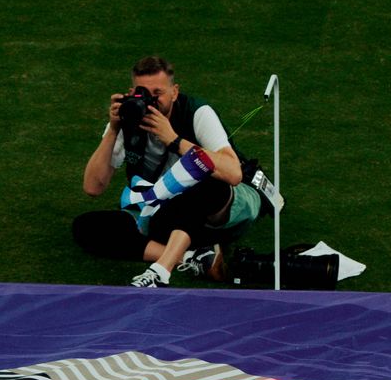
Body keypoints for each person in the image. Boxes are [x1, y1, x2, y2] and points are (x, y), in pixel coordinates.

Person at [75, 55, 263, 288]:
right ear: (132, 91)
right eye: (144, 93)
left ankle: (161, 270)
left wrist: (174, 140)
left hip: (220, 210)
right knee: (87, 227)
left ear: (174, 92)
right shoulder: (129, 118)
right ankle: (192, 256)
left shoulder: (197, 112)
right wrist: (114, 129)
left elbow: (233, 174)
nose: (151, 102)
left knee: (205, 178)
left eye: (158, 94)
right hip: (166, 210)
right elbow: (93, 187)